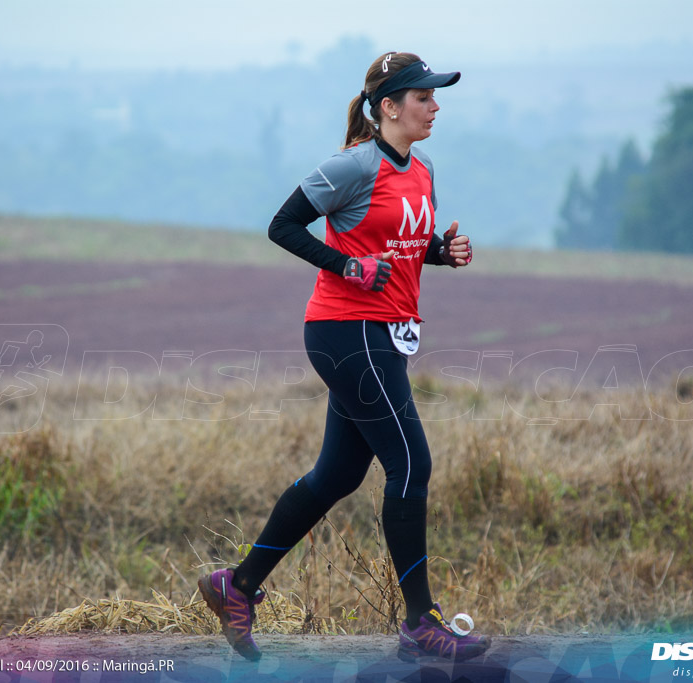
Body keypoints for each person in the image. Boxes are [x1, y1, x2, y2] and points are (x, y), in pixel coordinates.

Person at [198, 51, 489, 663]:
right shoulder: (352, 166)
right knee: (411, 464)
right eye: (424, 97)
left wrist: (443, 251)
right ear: (389, 107)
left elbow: (403, 244)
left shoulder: (423, 167)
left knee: (339, 476)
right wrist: (347, 265)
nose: (436, 106)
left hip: (385, 333)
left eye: (436, 96)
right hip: (345, 329)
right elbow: (283, 225)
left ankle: (237, 586)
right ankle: (420, 623)